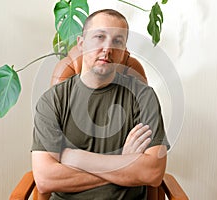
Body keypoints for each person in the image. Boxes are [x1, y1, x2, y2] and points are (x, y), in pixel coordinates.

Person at [31, 9, 170, 200]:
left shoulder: (143, 96)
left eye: (117, 41)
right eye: (99, 37)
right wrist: (123, 162)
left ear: (124, 52)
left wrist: (77, 158)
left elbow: (152, 173)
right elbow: (46, 179)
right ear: (82, 43)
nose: (107, 48)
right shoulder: (53, 100)